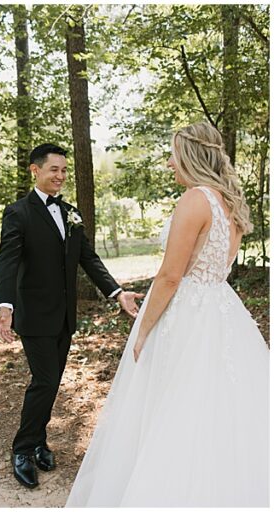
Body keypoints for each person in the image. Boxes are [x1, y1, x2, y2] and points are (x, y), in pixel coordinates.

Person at [66, 123, 269, 507]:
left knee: (174, 405)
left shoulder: (195, 199)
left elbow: (171, 275)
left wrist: (143, 329)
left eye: (173, 154)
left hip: (189, 316)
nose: (169, 163)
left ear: (190, 156)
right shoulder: (230, 203)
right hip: (221, 310)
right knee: (217, 405)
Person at [0, 143, 142, 489]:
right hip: (33, 315)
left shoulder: (71, 213)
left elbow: (88, 259)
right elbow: (8, 262)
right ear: (35, 170)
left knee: (51, 383)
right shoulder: (19, 213)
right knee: (44, 381)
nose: (59, 176)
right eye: (53, 170)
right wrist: (4, 307)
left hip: (64, 318)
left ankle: (40, 441)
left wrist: (117, 293)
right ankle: (23, 449)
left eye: (63, 171)